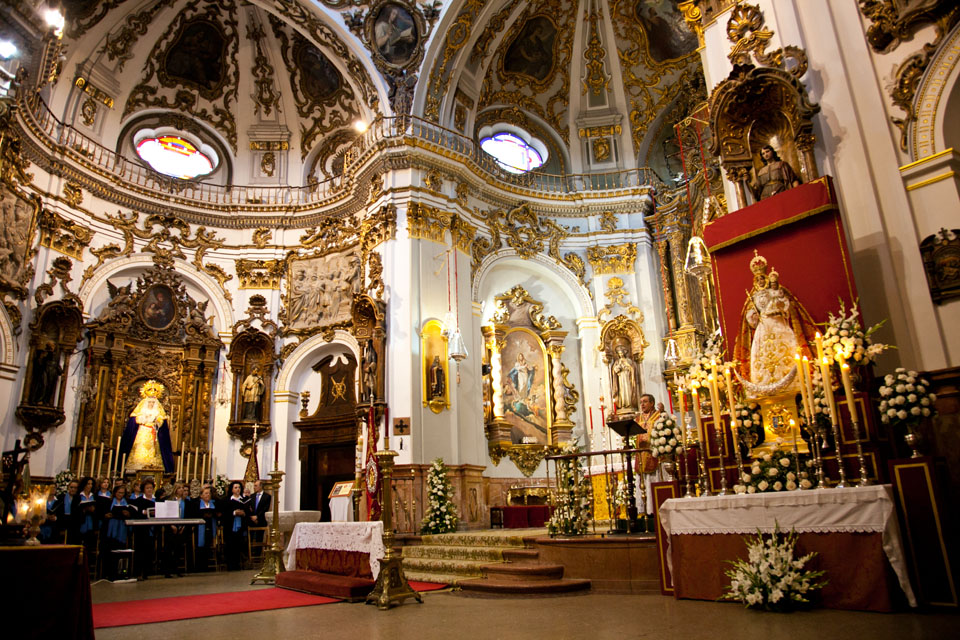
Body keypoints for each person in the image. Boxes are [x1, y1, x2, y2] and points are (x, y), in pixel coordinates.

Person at [735, 256, 817, 397]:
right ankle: (764, 386)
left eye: (762, 279)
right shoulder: (753, 297)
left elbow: (786, 306)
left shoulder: (775, 291)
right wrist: (753, 316)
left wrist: (779, 305)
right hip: (762, 328)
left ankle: (794, 384)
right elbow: (750, 319)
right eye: (758, 280)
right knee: (761, 357)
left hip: (778, 324)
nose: (760, 281)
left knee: (786, 351)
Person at [120, 380, 175, 473]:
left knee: (154, 450)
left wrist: (157, 421)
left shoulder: (158, 410)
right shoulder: (141, 408)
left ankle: (153, 466)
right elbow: (135, 419)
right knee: (139, 449)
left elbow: (161, 419)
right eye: (149, 402)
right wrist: (143, 419)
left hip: (153, 432)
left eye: (153, 403)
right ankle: (136, 466)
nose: (151, 404)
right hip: (142, 432)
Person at [102, 484, 134, 581]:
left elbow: (131, 514)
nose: (121, 495)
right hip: (111, 528)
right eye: (119, 493)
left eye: (122, 493)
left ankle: (121, 572)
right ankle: (109, 573)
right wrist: (107, 515)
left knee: (121, 550)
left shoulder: (127, 502)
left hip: (122, 528)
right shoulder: (109, 502)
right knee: (110, 550)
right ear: (115, 493)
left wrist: (127, 514)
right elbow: (103, 514)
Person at [132, 479, 158, 580]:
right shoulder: (138, 501)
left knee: (150, 550)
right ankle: (138, 572)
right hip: (141, 529)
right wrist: (144, 512)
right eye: (147, 488)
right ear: (143, 490)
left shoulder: (157, 500)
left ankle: (147, 572)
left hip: (153, 528)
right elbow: (135, 513)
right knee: (140, 551)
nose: (149, 490)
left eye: (151, 488)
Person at [194, 486, 220, 571]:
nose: (208, 495)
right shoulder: (197, 504)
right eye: (206, 493)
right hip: (200, 528)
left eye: (209, 493)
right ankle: (199, 566)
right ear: (201, 495)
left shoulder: (213, 504)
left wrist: (214, 514)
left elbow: (217, 514)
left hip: (210, 526)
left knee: (208, 546)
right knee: (200, 547)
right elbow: (195, 514)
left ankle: (207, 565)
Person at [225, 481, 248, 571]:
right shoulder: (227, 500)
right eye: (235, 487)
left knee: (239, 545)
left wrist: (243, 513)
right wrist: (234, 513)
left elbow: (248, 512)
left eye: (239, 487)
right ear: (232, 489)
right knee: (230, 545)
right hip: (230, 526)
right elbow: (224, 513)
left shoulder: (244, 500)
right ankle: (230, 565)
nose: (238, 489)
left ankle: (239, 564)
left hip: (241, 526)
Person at [611, 344, 639, 412]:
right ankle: (623, 404)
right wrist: (617, 369)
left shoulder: (628, 360)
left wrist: (627, 365)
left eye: (621, 353)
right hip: (620, 378)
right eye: (619, 353)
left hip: (627, 377)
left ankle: (629, 403)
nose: (621, 355)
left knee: (628, 389)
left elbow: (632, 368)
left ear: (624, 353)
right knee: (622, 391)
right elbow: (614, 370)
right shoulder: (617, 362)